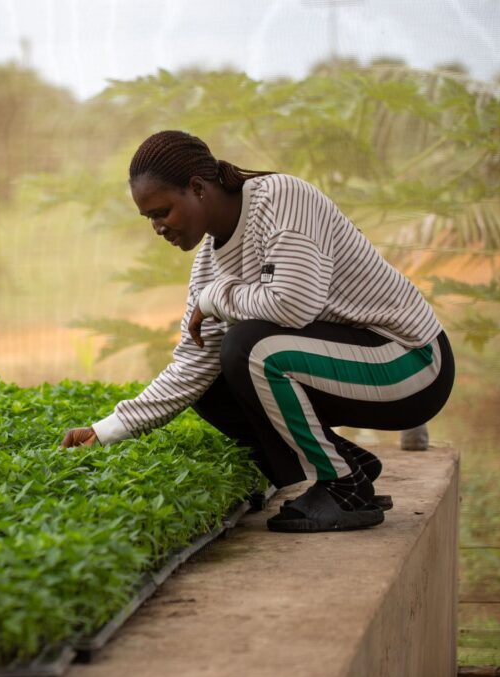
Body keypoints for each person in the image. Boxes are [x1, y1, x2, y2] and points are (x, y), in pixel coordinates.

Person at [61, 130, 454, 533]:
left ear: (197, 188)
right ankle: (345, 465)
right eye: (149, 219)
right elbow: (192, 366)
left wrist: (215, 298)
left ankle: (343, 488)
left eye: (162, 212)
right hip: (360, 365)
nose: (158, 228)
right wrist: (105, 430)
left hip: (411, 362)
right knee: (212, 385)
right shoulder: (207, 265)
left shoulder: (282, 199)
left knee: (248, 348)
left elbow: (295, 304)